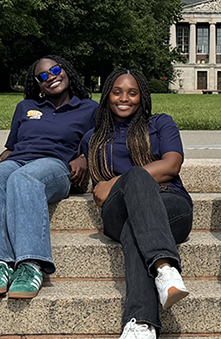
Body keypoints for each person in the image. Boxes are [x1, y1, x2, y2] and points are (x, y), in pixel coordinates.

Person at [0, 55, 97, 300]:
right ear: (37, 84)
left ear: (66, 71)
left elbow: (99, 142)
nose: (51, 77)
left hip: (55, 166)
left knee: (23, 178)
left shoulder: (89, 108)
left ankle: (31, 266)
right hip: (19, 160)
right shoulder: (25, 107)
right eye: (43, 76)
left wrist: (85, 157)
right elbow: (12, 147)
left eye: (56, 70)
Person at [80, 68, 193, 339]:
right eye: (117, 92)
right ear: (107, 96)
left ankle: (141, 324)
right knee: (136, 179)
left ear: (142, 97)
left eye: (132, 92)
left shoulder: (160, 123)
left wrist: (114, 182)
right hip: (116, 211)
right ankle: (165, 268)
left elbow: (172, 164)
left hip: (170, 205)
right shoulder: (91, 138)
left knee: (135, 227)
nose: (124, 98)